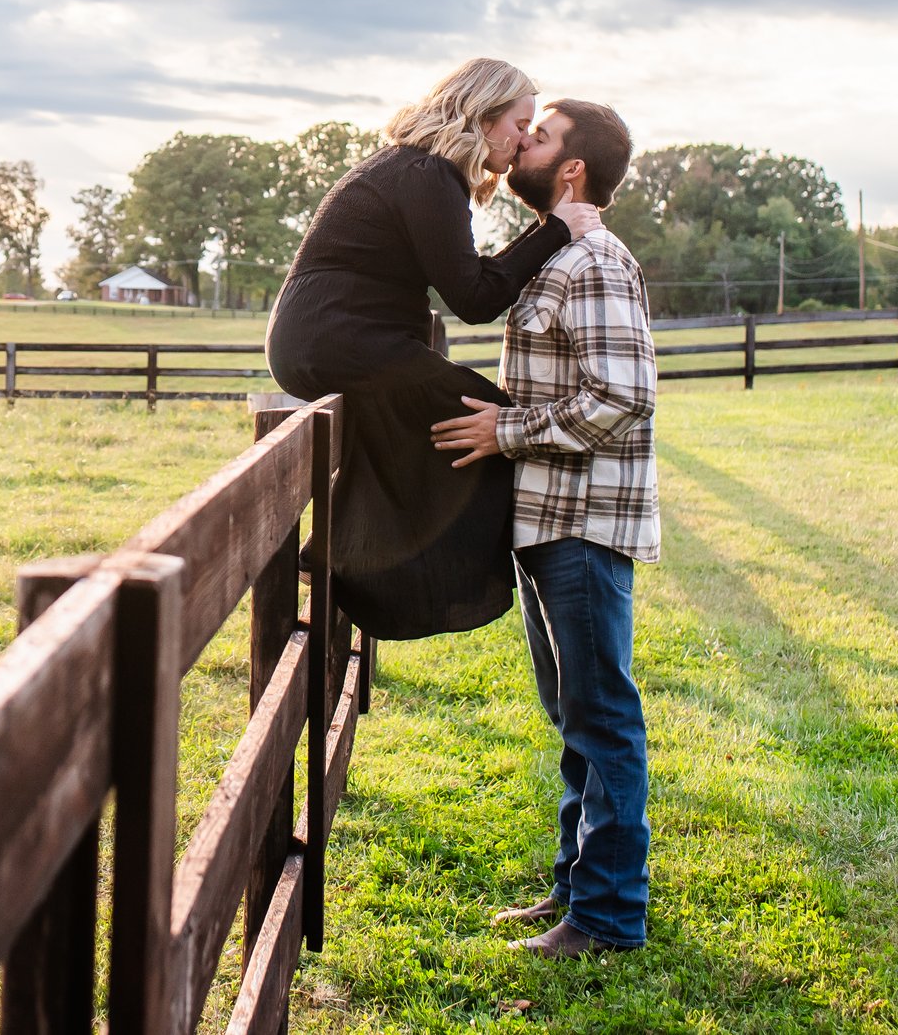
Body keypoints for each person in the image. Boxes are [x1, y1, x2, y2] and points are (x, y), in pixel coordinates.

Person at [266, 60, 601, 638]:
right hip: (336, 341)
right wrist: (557, 229)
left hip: (332, 341)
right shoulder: (427, 174)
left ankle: (338, 552)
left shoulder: (416, 170)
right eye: (521, 125)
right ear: (484, 116)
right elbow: (473, 297)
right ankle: (391, 577)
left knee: (432, 431)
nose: (523, 141)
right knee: (481, 415)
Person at [432, 99, 655, 958]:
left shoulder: (594, 260)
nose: (521, 140)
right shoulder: (553, 254)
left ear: (573, 169)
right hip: (547, 517)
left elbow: (621, 397)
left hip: (584, 522)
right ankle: (576, 891)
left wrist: (506, 431)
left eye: (541, 132)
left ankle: (605, 917)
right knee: (575, 712)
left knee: (600, 714)